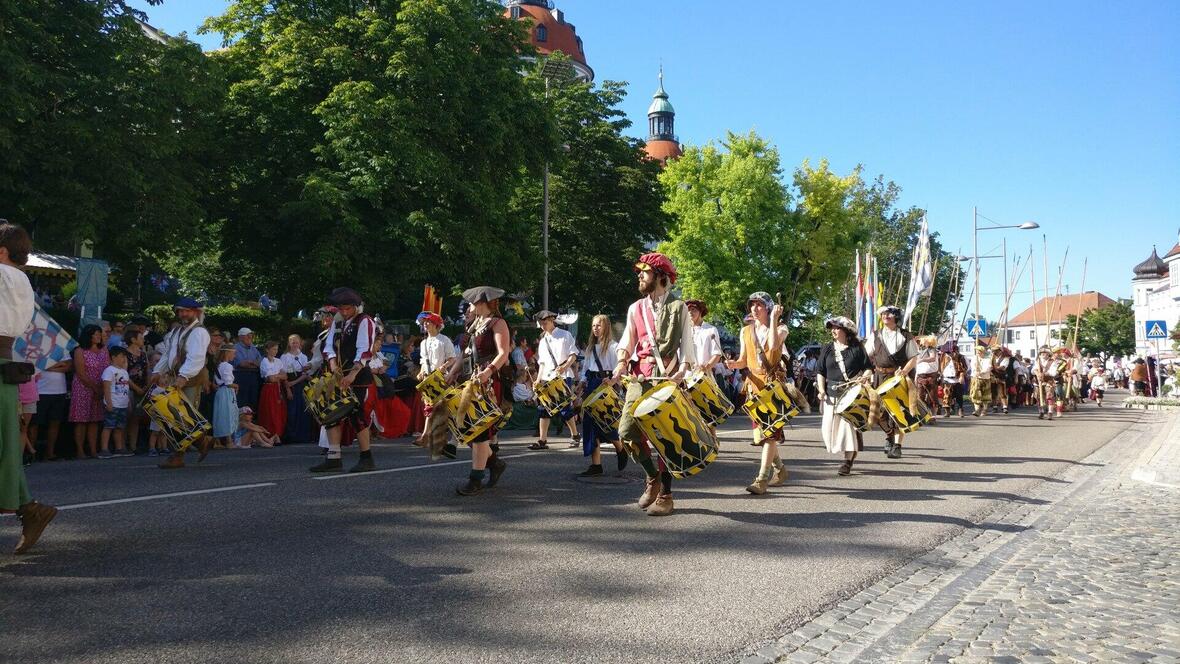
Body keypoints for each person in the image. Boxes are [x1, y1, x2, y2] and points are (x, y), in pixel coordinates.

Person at [611, 252, 695, 516]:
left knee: (665, 439)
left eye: (644, 272)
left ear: (659, 276)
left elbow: (687, 345)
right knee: (626, 431)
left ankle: (666, 496)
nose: (639, 276)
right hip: (640, 377)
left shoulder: (678, 307)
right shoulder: (636, 308)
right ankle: (651, 477)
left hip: (667, 377)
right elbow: (627, 340)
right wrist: (621, 361)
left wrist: (682, 371)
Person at [0, 222, 57, 554]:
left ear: (3, 251)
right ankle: (31, 510)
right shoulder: (21, 280)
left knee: (5, 444)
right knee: (5, 443)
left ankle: (31, 509)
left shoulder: (5, 276)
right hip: (5, 362)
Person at [725, 291, 790, 494]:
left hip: (773, 387)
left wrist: (773, 320)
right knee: (763, 435)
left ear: (768, 308)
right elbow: (744, 360)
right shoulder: (745, 331)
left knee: (769, 434)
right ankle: (780, 469)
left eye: (759, 305)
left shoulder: (780, 328)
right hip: (754, 388)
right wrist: (733, 364)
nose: (754, 308)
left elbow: (773, 347)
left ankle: (762, 479)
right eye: (752, 304)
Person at [308, 288, 378, 474]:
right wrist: (332, 363)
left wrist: (352, 374)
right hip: (337, 376)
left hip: (358, 377)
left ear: (355, 307)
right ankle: (333, 457)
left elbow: (364, 350)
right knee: (331, 414)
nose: (344, 312)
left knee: (358, 416)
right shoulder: (337, 322)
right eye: (341, 309)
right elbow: (329, 345)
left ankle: (366, 457)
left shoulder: (365, 321)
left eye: (348, 309)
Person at [451, 286, 511, 496]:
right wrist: (451, 373)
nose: (470, 307)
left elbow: (503, 354)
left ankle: (475, 479)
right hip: (469, 381)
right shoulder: (473, 325)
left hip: (487, 383)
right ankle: (494, 463)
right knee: (467, 430)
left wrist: (488, 372)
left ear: (484, 303)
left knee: (479, 430)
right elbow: (464, 355)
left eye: (473, 303)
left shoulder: (498, 323)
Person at [152, 297, 213, 469]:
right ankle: (202, 442)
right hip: (175, 376)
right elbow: (168, 354)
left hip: (190, 379)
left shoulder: (199, 332)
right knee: (174, 416)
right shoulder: (177, 332)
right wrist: (158, 370)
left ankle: (179, 455)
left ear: (195, 312)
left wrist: (184, 376)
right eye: (180, 311)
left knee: (182, 417)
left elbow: (197, 357)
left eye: (187, 310)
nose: (183, 314)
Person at [816, 316, 873, 476]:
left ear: (846, 331)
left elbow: (868, 368)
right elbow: (821, 371)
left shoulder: (857, 348)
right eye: (832, 328)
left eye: (837, 328)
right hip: (831, 394)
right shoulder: (827, 348)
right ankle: (845, 455)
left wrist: (865, 376)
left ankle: (848, 461)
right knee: (828, 428)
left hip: (850, 394)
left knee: (848, 429)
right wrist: (821, 390)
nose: (833, 331)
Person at [863, 304, 918, 458]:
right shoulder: (875, 335)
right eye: (883, 314)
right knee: (879, 412)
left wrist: (905, 370)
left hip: (899, 377)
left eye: (888, 314)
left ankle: (898, 445)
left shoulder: (906, 336)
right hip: (879, 377)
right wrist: (866, 373)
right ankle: (889, 435)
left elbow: (914, 357)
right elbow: (866, 357)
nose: (885, 316)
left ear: (896, 316)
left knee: (899, 410)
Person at [577, 314, 627, 476]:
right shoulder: (591, 347)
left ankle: (620, 449)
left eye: (599, 325)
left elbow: (619, 369)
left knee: (606, 423)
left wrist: (613, 381)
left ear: (606, 326)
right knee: (590, 425)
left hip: (605, 386)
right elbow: (585, 368)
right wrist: (583, 381)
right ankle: (596, 465)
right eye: (593, 326)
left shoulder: (614, 346)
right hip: (592, 385)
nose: (595, 328)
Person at [529, 310, 580, 450]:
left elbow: (573, 354)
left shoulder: (565, 335)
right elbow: (542, 363)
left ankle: (575, 435)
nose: (543, 326)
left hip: (563, 376)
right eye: (541, 324)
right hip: (547, 377)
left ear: (552, 320)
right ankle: (542, 440)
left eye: (545, 323)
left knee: (564, 408)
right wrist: (538, 380)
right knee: (543, 408)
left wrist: (565, 367)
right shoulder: (543, 340)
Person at [414, 311, 456, 458]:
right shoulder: (423, 342)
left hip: (441, 378)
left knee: (440, 408)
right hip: (428, 379)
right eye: (424, 322)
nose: (425, 324)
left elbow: (452, 358)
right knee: (430, 407)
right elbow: (423, 360)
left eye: (428, 322)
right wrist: (420, 372)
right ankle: (427, 436)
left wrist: (443, 367)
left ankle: (430, 436)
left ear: (436, 325)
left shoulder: (444, 340)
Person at [69, 324, 109, 458]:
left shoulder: (104, 350)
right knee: (81, 420)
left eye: (100, 334)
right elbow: (81, 373)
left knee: (94, 420)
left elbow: (107, 369)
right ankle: (80, 450)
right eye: (96, 334)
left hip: (100, 388)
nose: (99, 336)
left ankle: (93, 449)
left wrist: (102, 389)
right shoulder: (80, 351)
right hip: (83, 388)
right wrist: (94, 388)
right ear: (89, 335)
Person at [29, 357, 70, 461]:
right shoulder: (38, 347)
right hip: (40, 390)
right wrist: (58, 364)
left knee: (55, 422)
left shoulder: (61, 347)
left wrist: (47, 367)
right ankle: (31, 454)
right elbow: (35, 365)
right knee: (34, 424)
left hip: (59, 391)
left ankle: (50, 453)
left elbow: (68, 366)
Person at [97, 347, 132, 458]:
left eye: (125, 356)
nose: (124, 359)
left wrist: (128, 403)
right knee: (108, 426)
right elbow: (106, 387)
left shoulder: (124, 372)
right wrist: (109, 402)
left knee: (119, 427)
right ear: (113, 357)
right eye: (122, 356)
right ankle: (104, 449)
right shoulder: (109, 370)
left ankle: (119, 448)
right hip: (113, 403)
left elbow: (126, 388)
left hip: (122, 404)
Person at [280, 334, 313, 444]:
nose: (295, 344)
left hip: (300, 384)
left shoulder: (303, 357)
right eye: (292, 342)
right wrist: (288, 387)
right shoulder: (285, 356)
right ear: (289, 343)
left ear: (300, 343)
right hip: (289, 384)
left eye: (296, 342)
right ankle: (291, 435)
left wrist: (294, 382)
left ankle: (302, 435)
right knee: (291, 411)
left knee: (302, 409)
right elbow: (283, 373)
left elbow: (305, 373)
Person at [123, 327, 149, 454]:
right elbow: (124, 374)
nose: (143, 339)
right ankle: (122, 444)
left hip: (142, 389)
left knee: (136, 418)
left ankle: (133, 446)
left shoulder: (143, 354)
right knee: (126, 417)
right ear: (133, 340)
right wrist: (137, 388)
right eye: (141, 337)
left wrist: (146, 386)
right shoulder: (125, 354)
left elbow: (147, 371)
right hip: (129, 389)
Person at [256, 340, 287, 441]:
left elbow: (285, 376)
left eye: (276, 349)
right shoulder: (264, 361)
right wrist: (279, 376)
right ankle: (270, 434)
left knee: (279, 412)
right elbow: (270, 379)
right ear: (267, 350)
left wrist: (276, 376)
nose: (275, 351)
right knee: (270, 411)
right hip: (269, 389)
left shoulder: (278, 361)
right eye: (273, 349)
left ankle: (277, 434)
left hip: (277, 388)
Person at [212, 345, 239, 448]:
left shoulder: (218, 365)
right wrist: (236, 385)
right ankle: (228, 441)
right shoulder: (227, 366)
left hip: (220, 392)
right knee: (228, 414)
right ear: (227, 353)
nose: (234, 355)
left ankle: (218, 441)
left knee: (220, 414)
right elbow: (228, 383)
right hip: (226, 392)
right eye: (233, 353)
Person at [232, 327, 263, 411]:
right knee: (242, 401)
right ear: (240, 337)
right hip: (241, 376)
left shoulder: (253, 348)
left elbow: (261, 363)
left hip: (253, 376)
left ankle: (250, 421)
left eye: (251, 335)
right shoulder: (235, 348)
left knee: (253, 400)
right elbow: (242, 364)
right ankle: (241, 421)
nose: (250, 337)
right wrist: (254, 363)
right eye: (247, 335)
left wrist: (251, 362)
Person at [913, 337, 941, 423]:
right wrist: (915, 377)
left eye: (922, 341)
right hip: (920, 376)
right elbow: (917, 366)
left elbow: (932, 358)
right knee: (920, 397)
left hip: (931, 376)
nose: (921, 343)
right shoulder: (920, 351)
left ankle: (933, 416)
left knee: (932, 397)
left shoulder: (932, 349)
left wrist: (922, 360)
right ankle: (924, 415)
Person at [939, 344, 967, 418]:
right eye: (948, 353)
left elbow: (964, 368)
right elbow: (940, 367)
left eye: (952, 352)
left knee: (959, 396)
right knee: (946, 396)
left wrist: (961, 376)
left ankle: (960, 410)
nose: (951, 354)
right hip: (947, 379)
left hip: (957, 379)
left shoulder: (960, 357)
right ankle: (947, 412)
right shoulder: (943, 357)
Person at [968, 344, 992, 417]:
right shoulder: (974, 358)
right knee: (975, 394)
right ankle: (977, 409)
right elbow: (972, 366)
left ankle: (984, 410)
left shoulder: (988, 359)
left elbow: (988, 368)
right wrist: (976, 371)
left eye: (979, 351)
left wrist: (981, 372)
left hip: (985, 378)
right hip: (976, 378)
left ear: (983, 352)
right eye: (977, 351)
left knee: (985, 395)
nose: (978, 352)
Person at [1032, 346, 1056, 419]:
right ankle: (1041, 411)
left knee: (1049, 397)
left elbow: (1053, 372)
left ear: (1048, 354)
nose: (1043, 354)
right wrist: (1037, 373)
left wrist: (1045, 373)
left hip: (1048, 381)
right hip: (1038, 382)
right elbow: (1032, 370)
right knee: (1038, 397)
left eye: (1045, 353)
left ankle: (1050, 412)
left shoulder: (1052, 362)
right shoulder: (1037, 361)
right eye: (1042, 353)